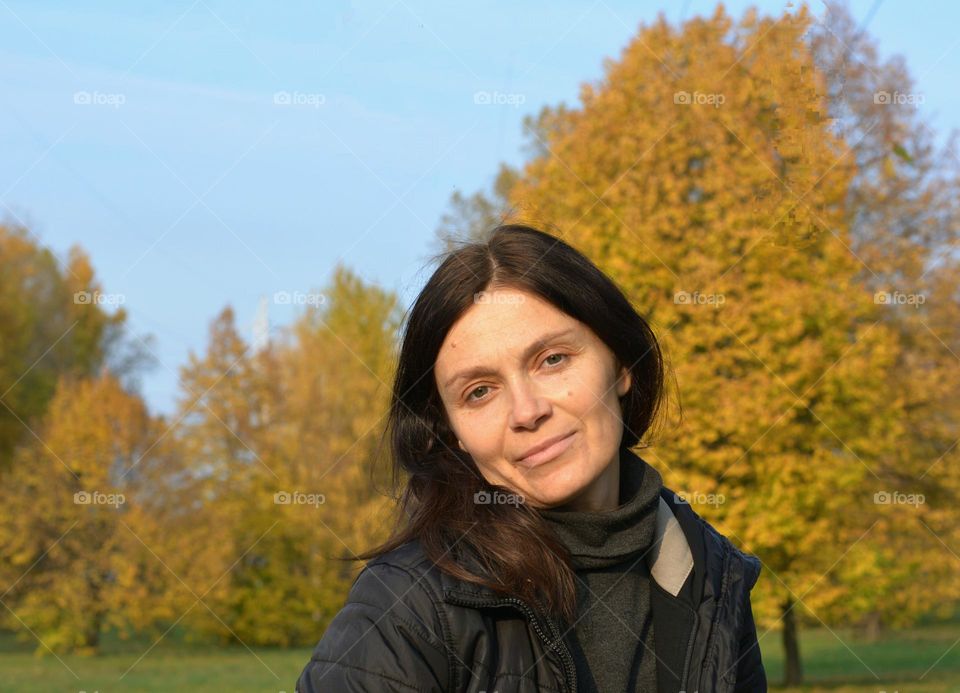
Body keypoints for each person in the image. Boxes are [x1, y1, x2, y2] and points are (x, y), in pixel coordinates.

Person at [296, 224, 766, 692]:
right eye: (479, 392)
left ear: (621, 364)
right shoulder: (405, 607)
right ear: (452, 432)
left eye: (553, 359)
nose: (526, 411)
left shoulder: (712, 574)